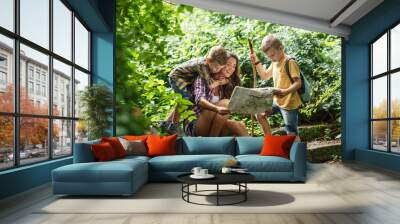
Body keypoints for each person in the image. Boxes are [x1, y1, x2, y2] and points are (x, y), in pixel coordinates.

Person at [249, 35, 302, 140]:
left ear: (281, 48)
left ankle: (296, 153)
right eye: (269, 57)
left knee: (291, 133)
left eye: (273, 55)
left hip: (289, 103)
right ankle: (270, 141)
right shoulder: (275, 62)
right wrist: (256, 62)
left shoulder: (290, 61)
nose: (271, 58)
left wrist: (286, 91)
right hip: (277, 101)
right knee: (259, 113)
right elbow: (264, 76)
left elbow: (298, 83)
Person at [166, 45, 229, 127]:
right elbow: (209, 85)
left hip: (186, 79)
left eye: (220, 68)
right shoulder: (202, 66)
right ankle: (174, 125)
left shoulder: (207, 64)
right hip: (177, 77)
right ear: (209, 60)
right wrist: (219, 82)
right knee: (185, 99)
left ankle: (167, 122)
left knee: (186, 100)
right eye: (216, 67)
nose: (217, 70)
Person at [187, 53, 248, 137]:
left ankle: (259, 150)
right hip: (196, 123)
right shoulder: (204, 78)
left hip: (212, 126)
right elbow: (199, 100)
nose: (231, 69)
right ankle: (213, 141)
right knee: (225, 102)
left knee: (239, 126)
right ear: (221, 64)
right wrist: (216, 108)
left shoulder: (225, 84)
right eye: (228, 64)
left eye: (234, 66)